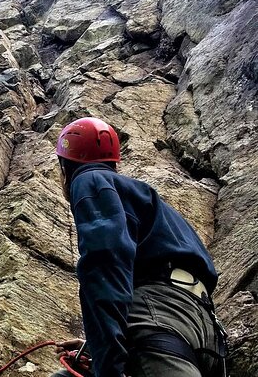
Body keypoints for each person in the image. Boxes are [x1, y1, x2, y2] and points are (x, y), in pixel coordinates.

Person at [51, 117, 227, 377]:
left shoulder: (89, 180)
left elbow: (105, 264)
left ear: (65, 167)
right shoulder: (148, 199)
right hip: (205, 332)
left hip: (160, 322)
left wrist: (106, 362)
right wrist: (94, 348)